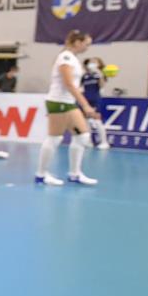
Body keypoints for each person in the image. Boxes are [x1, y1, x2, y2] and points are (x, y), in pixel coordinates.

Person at [36, 30, 100, 186]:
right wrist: (85, 105)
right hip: (59, 102)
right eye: (86, 44)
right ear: (77, 42)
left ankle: (75, 174)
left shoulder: (73, 58)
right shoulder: (65, 58)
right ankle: (41, 175)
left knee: (82, 136)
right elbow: (69, 83)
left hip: (68, 102)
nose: (87, 47)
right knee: (54, 138)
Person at [80, 56, 111, 149]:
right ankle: (89, 141)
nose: (91, 64)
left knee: (97, 120)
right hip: (86, 99)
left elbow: (102, 86)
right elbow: (80, 86)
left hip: (95, 99)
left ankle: (104, 142)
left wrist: (100, 74)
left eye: (94, 62)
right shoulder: (84, 76)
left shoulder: (98, 75)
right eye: (90, 62)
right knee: (86, 121)